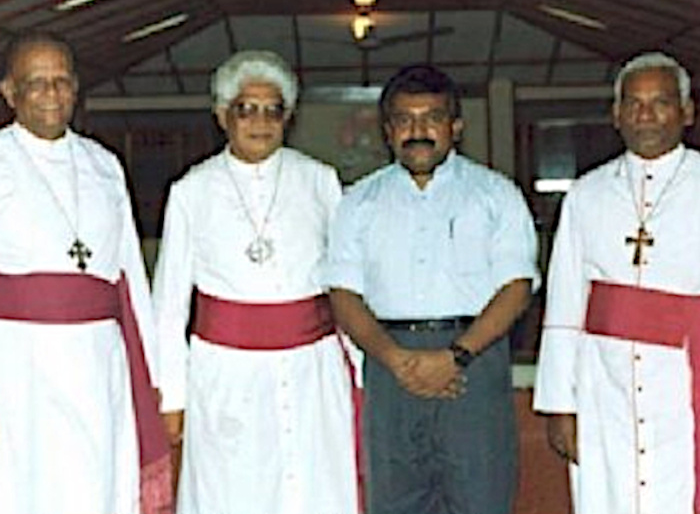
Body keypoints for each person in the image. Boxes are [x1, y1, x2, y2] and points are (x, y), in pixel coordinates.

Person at [325, 64, 539, 514]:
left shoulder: (495, 195)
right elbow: (343, 293)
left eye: (432, 118)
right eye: (405, 120)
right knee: (396, 502)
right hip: (389, 366)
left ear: (455, 127)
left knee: (482, 498)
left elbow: (516, 287)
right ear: (388, 131)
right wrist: (396, 359)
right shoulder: (358, 202)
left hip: (473, 365)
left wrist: (455, 356)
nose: (418, 131)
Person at [152, 50, 359, 514]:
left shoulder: (319, 180)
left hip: (312, 371)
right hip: (226, 373)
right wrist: (172, 396)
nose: (260, 122)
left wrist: (360, 368)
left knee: (314, 487)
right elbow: (168, 304)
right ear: (223, 115)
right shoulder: (191, 191)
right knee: (233, 491)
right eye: (247, 109)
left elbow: (347, 282)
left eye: (273, 110)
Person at [0, 33, 171, 514]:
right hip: (17, 365)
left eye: (61, 81)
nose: (52, 94)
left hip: (99, 363)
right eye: (37, 83)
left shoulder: (104, 165)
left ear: (76, 88)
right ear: (10, 92)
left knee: (94, 481)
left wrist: (152, 370)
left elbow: (130, 275)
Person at [534, 51, 700, 514]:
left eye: (660, 102)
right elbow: (564, 304)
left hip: (684, 385)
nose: (645, 115)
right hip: (604, 388)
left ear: (687, 112)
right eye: (634, 103)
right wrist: (559, 405)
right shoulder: (587, 194)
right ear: (615, 114)